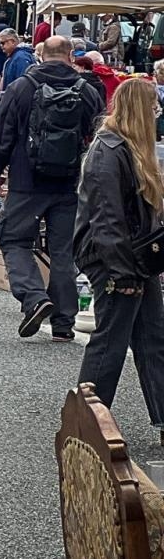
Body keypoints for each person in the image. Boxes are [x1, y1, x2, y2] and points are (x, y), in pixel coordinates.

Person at [0, 35, 105, 340]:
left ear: (41, 56)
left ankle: (34, 297)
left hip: (27, 181)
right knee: (63, 250)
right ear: (70, 56)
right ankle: (64, 323)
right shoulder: (87, 91)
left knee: (10, 237)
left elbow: (2, 135)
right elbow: (98, 136)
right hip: (69, 184)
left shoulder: (21, 88)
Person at [75, 76, 164, 418]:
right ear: (142, 111)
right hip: (113, 257)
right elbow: (106, 218)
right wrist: (122, 271)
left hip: (133, 256)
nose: (157, 113)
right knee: (111, 339)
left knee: (152, 336)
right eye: (154, 107)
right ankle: (88, 419)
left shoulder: (125, 148)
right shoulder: (108, 151)